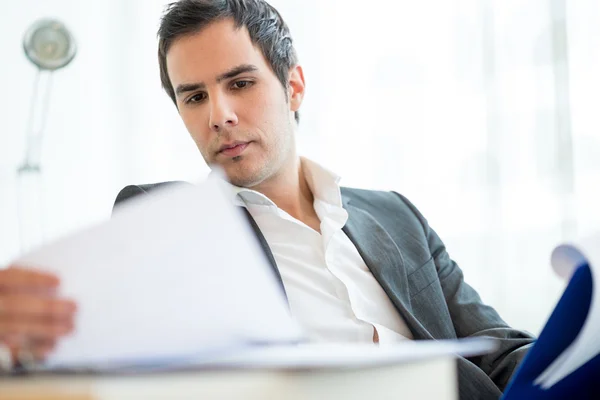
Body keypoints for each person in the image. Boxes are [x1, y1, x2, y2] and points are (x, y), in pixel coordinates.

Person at [0, 0, 534, 398]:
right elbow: (103, 346)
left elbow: (501, 351)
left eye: (240, 83)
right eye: (194, 96)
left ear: (293, 86)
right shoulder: (170, 225)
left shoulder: (394, 215)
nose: (219, 114)